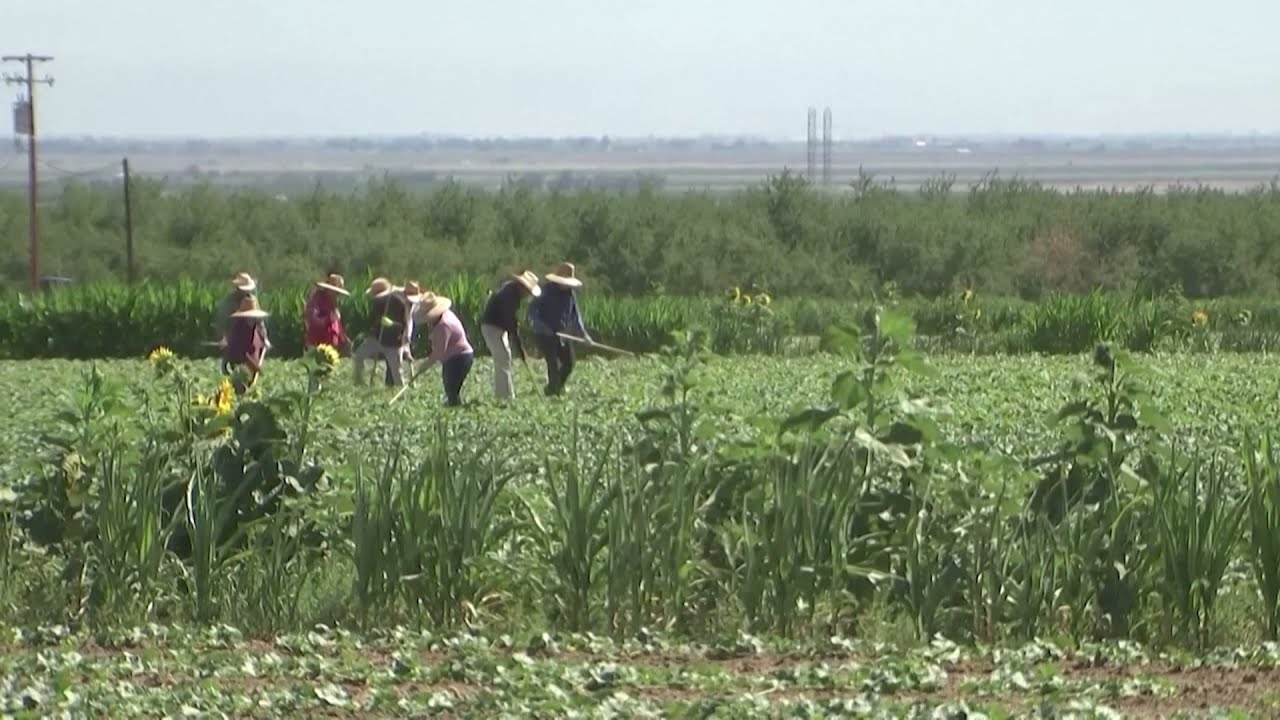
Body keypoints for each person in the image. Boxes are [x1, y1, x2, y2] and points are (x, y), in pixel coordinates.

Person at [527, 261, 590, 396]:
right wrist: (541, 326)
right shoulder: (545, 291)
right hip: (545, 334)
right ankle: (553, 390)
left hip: (562, 334)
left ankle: (553, 388)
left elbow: (575, 316)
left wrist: (584, 335)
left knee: (569, 363)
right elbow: (532, 310)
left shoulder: (570, 295)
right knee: (553, 364)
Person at [480, 270, 541, 402]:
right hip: (491, 328)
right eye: (528, 291)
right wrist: (521, 350)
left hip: (500, 327)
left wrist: (520, 348)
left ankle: (506, 395)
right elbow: (510, 324)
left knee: (506, 358)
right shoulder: (509, 295)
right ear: (523, 286)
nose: (528, 295)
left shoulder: (513, 292)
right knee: (502, 359)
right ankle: (504, 397)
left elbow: (511, 322)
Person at [411, 292, 475, 407]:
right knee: (450, 388)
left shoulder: (443, 325)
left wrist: (424, 367)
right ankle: (453, 406)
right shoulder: (444, 316)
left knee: (451, 390)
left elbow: (438, 353)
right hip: (454, 358)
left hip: (459, 358)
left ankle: (455, 411)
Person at [353, 277, 413, 387]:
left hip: (393, 343)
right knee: (359, 355)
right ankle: (359, 382)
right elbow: (371, 320)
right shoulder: (376, 303)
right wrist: (374, 327)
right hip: (377, 339)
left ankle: (401, 393)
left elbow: (403, 326)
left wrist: (392, 324)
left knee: (397, 374)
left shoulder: (399, 303)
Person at [214, 271, 270, 374]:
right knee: (235, 351)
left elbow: (259, 321)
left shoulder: (252, 300)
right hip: (234, 331)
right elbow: (222, 321)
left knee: (253, 348)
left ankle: (252, 367)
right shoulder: (229, 302)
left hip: (250, 331)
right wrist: (223, 337)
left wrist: (265, 338)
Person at [223, 295, 270, 395]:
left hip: (252, 371)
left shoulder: (256, 328)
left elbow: (260, 344)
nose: (251, 319)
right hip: (240, 369)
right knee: (240, 391)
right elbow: (239, 352)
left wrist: (264, 344)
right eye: (249, 317)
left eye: (253, 317)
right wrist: (254, 367)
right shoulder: (238, 329)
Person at [303, 272, 351, 352]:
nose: (337, 295)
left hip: (331, 347)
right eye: (335, 292)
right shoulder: (317, 300)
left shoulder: (333, 304)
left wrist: (344, 339)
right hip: (316, 344)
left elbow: (337, 326)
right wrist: (328, 319)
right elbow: (312, 319)